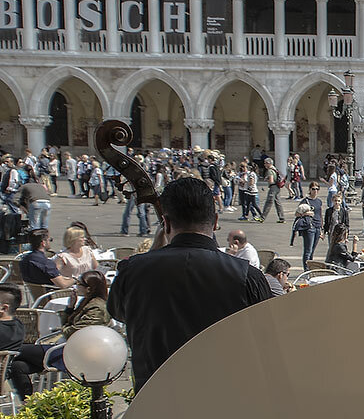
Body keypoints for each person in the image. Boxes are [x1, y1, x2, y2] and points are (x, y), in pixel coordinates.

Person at [108, 177, 272, 392]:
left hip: (153, 401)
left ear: (165, 223)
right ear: (214, 221)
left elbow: (119, 312)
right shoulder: (247, 276)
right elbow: (268, 336)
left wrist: (153, 254)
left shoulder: (133, 271)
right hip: (227, 397)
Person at [59, 269, 110, 339]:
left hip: (85, 346)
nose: (75, 286)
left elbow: (72, 334)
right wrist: (70, 307)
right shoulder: (87, 301)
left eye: (78, 283)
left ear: (88, 289)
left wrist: (63, 328)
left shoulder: (96, 309)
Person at [292, 183, 323, 269]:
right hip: (309, 227)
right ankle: (306, 269)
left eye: (317, 189)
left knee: (312, 250)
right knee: (308, 250)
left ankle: (310, 267)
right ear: (309, 189)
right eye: (313, 189)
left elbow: (320, 215)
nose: (315, 191)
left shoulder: (319, 201)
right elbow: (297, 213)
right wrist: (306, 213)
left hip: (317, 226)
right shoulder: (305, 201)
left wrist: (321, 229)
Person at [262, 157, 287, 223]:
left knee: (269, 202)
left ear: (268, 163)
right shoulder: (275, 169)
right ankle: (282, 218)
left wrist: (268, 179)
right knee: (278, 203)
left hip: (273, 187)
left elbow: (271, 180)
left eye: (265, 163)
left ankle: (262, 217)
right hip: (278, 187)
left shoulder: (270, 170)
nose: (264, 165)